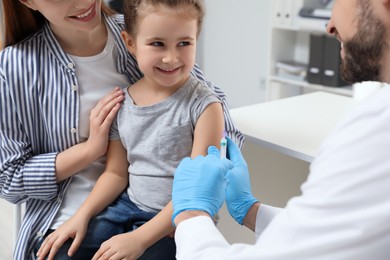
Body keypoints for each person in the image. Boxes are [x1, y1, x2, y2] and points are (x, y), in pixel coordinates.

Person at [0, 1, 243, 259]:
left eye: (184, 43)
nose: (82, 2)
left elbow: (221, 133)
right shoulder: (13, 67)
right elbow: (9, 179)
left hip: (165, 213)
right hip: (76, 215)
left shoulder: (153, 27)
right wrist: (90, 150)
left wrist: (183, 212)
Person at [171, 0, 390, 259]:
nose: (329, 25)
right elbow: (337, 233)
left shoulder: (379, 125)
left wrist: (191, 215)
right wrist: (252, 211)